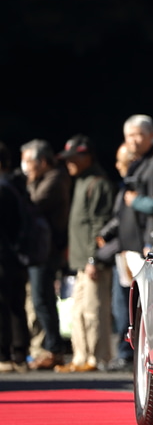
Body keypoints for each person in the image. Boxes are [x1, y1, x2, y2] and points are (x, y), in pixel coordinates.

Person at [54, 135, 115, 373]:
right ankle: (81, 357)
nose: (68, 162)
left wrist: (93, 258)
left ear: (86, 156)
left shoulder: (97, 183)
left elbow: (98, 225)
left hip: (92, 262)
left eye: (72, 157)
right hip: (80, 261)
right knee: (78, 311)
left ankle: (97, 358)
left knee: (93, 310)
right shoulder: (81, 180)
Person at [20, 139, 72, 370]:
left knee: (43, 299)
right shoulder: (45, 177)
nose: (26, 167)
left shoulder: (55, 178)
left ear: (42, 161)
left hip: (47, 249)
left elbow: (33, 204)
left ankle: (54, 348)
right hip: (39, 249)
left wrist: (29, 183)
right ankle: (47, 347)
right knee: (39, 299)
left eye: (29, 161)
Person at [97, 143, 137, 371]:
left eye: (121, 160)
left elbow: (127, 220)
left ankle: (126, 354)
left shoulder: (134, 187)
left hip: (131, 249)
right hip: (122, 250)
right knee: (120, 304)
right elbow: (118, 217)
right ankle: (123, 352)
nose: (117, 165)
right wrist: (105, 233)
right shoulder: (125, 187)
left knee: (125, 305)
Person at [118, 114, 153, 279]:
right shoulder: (137, 163)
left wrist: (148, 242)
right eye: (129, 136)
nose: (133, 140)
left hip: (146, 246)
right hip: (132, 246)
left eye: (138, 135)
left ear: (151, 135)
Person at [0, 143, 31, 373]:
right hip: (17, 254)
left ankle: (4, 355)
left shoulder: (3, 188)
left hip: (4, 254)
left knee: (5, 305)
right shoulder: (16, 186)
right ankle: (19, 354)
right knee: (16, 305)